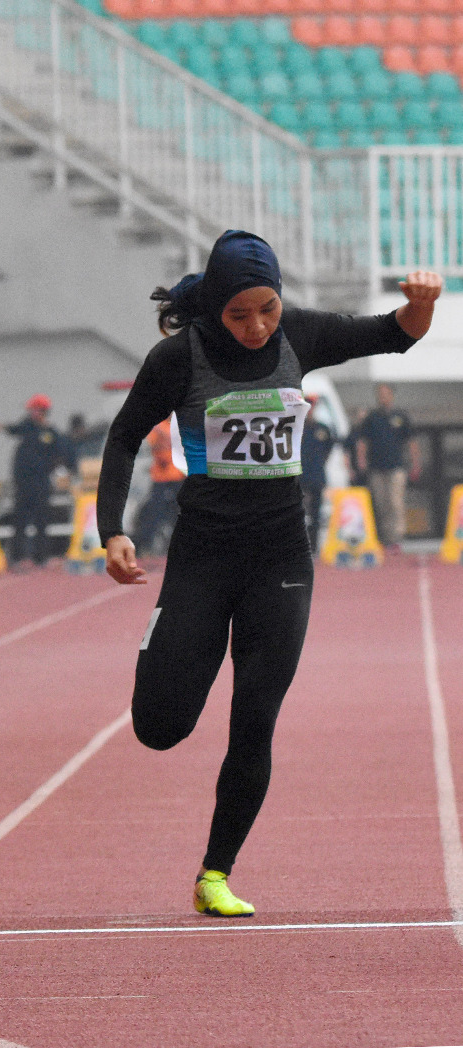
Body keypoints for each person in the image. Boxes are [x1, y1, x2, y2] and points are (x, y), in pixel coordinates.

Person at [98, 229, 438, 918]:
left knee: (256, 717)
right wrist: (113, 531)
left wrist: (422, 303)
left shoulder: (300, 336)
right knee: (159, 726)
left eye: (268, 311)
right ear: (216, 308)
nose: (257, 328)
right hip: (202, 558)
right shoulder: (177, 357)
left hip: (282, 559)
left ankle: (215, 873)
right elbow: (125, 435)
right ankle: (163, 678)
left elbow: (396, 335)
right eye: (239, 315)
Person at [0, 394, 71, 566]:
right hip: (23, 483)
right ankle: (16, 557)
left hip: (42, 482)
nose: (30, 412)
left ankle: (40, 558)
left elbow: (61, 457)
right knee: (20, 520)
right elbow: (3, 427)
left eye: (34, 409)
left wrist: (58, 475)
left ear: (43, 411)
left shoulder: (52, 433)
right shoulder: (26, 427)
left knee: (41, 521)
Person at [353, 383, 421, 552]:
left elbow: (411, 442)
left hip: (396, 466)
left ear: (392, 395)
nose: (383, 397)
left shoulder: (401, 417)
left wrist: (415, 463)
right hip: (377, 467)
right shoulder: (372, 417)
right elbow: (363, 442)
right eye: (380, 394)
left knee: (395, 501)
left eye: (386, 393)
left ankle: (396, 538)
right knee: (381, 503)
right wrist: (361, 460)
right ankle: (385, 538)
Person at [131, 417, 183, 555]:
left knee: (180, 510)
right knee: (154, 511)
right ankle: (145, 544)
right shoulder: (158, 426)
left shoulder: (179, 424)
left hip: (177, 474)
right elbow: (153, 445)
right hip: (161, 475)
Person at [299, 396, 336, 553]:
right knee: (299, 514)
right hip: (298, 477)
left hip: (316, 477)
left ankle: (313, 548)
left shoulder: (322, 429)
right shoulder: (296, 428)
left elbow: (329, 448)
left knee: (316, 514)